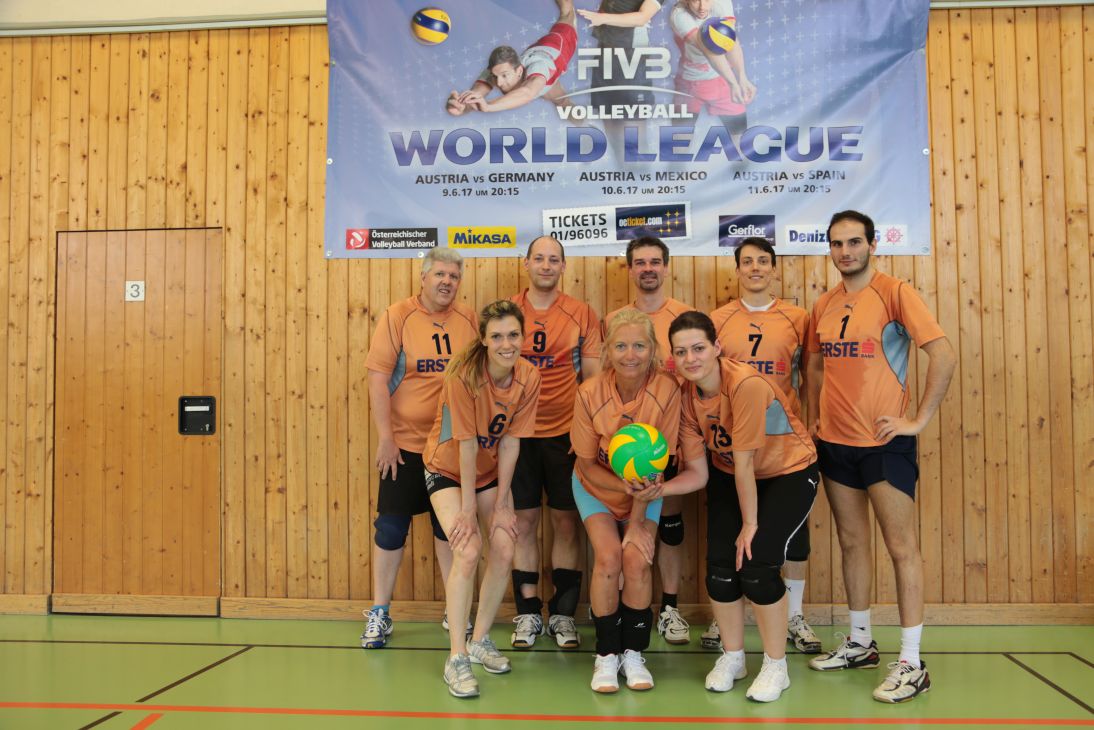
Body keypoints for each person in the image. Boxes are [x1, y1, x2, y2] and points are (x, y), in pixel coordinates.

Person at [805, 210, 955, 704]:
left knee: (901, 547)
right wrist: (814, 416)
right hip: (836, 443)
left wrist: (918, 419)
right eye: (836, 243)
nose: (845, 251)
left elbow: (944, 354)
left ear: (872, 245)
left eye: (854, 242)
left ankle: (912, 662)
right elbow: (814, 365)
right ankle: (860, 642)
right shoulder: (824, 304)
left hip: (885, 443)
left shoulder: (895, 293)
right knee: (852, 543)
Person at [634, 310, 818, 702]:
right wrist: (658, 490)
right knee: (720, 569)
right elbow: (698, 474)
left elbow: (747, 463)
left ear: (717, 347)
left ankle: (776, 665)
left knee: (757, 563)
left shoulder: (745, 385)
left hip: (787, 472)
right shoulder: (686, 397)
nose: (691, 359)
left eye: (698, 348)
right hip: (728, 473)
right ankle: (734, 657)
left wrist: (750, 524)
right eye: (681, 352)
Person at [701, 237, 821, 655]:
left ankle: (795, 617)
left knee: (789, 539)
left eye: (763, 261)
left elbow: (810, 373)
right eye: (747, 261)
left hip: (783, 447)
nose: (755, 268)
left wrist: (811, 419)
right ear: (737, 270)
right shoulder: (718, 319)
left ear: (773, 269)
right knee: (731, 532)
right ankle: (726, 617)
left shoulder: (797, 318)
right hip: (734, 448)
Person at [361, 248, 478, 649]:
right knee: (391, 527)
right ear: (423, 278)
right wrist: (386, 438)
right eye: (440, 274)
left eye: (454, 276)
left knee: (450, 531)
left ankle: (455, 611)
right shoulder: (398, 316)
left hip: (449, 448)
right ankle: (380, 611)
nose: (447, 282)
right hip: (405, 446)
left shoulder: (468, 320)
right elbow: (378, 380)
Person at [425, 300, 542, 698]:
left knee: (506, 544)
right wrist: (469, 510)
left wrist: (503, 503)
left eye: (513, 335)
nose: (507, 344)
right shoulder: (463, 376)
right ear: (484, 340)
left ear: (523, 336)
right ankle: (456, 656)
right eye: (497, 336)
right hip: (447, 468)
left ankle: (480, 641)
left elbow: (510, 442)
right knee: (469, 548)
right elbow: (466, 445)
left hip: (488, 472)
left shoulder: (529, 376)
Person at [571, 309, 682, 693]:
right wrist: (624, 488)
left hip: (647, 490)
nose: (630, 355)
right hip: (596, 488)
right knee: (608, 558)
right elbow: (586, 465)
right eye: (620, 346)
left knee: (636, 558)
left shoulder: (667, 390)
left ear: (653, 350)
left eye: (639, 345)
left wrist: (636, 522)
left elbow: (657, 468)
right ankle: (606, 654)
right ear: (607, 351)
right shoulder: (589, 393)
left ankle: (633, 653)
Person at [509, 236, 602, 650]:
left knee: (567, 523)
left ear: (564, 267)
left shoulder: (580, 313)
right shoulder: (508, 311)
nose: (546, 265)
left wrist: (587, 435)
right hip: (517, 436)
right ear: (526, 263)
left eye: (554, 260)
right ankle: (528, 614)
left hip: (566, 435)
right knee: (523, 523)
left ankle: (563, 615)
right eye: (539, 258)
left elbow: (593, 382)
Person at [604, 236, 693, 644]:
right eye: (640, 262)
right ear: (630, 269)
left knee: (669, 522)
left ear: (666, 267)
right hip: (624, 448)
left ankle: (670, 609)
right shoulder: (615, 319)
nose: (648, 269)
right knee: (625, 525)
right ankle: (625, 607)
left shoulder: (684, 317)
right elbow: (602, 381)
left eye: (655, 261)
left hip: (671, 437)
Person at [447, 0, 578, 115]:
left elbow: (527, 93)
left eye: (504, 76)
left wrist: (488, 107)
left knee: (566, 11)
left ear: (519, 71)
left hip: (562, 39)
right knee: (562, 102)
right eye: (495, 77)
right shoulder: (497, 70)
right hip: (536, 53)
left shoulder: (539, 67)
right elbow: (476, 94)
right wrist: (463, 105)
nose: (499, 83)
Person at [575, 0, 665, 160]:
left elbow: (642, 17)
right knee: (607, 111)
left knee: (635, 115)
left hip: (631, 54)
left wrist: (602, 18)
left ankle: (640, 164)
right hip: (605, 49)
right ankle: (620, 163)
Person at [669, 0, 757, 137]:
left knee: (740, 139)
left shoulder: (722, 3)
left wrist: (742, 77)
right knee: (679, 142)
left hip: (721, 80)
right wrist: (733, 83)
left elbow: (730, 40)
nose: (702, 7)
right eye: (695, 0)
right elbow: (708, 49)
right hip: (689, 84)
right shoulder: (679, 14)